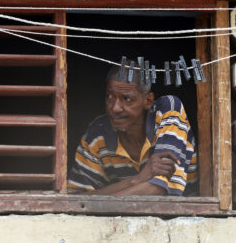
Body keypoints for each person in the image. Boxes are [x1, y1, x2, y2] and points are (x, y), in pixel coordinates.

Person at [67, 59, 198, 196]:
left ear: (148, 101)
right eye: (109, 97)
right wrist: (136, 180)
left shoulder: (168, 111)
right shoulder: (97, 133)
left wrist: (99, 199)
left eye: (127, 99)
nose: (115, 108)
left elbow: (158, 191)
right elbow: (74, 199)